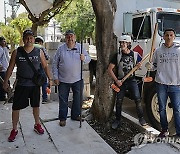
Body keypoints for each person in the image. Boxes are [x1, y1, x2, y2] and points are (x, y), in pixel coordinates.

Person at [3, 29, 52, 142]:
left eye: (31, 37)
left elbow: (45, 66)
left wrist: (50, 79)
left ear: (33, 39)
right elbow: (10, 68)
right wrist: (5, 81)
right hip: (21, 84)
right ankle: (14, 129)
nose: (29, 40)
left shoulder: (39, 51)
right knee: (16, 108)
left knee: (36, 106)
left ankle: (37, 124)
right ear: (23, 39)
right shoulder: (17, 52)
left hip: (35, 85)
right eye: (26, 37)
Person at [52, 30, 91, 127]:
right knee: (63, 100)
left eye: (71, 36)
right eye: (68, 36)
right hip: (63, 80)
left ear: (75, 37)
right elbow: (54, 64)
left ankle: (75, 115)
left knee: (78, 99)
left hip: (77, 79)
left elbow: (88, 58)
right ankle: (62, 118)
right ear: (65, 38)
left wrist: (84, 58)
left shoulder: (80, 47)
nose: (70, 38)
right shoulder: (61, 49)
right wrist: (55, 77)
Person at [108, 35, 147, 129]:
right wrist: (116, 80)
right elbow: (109, 69)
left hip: (132, 80)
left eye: (124, 43)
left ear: (128, 44)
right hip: (121, 81)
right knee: (119, 101)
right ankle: (117, 120)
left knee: (137, 99)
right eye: (121, 43)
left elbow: (139, 67)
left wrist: (138, 66)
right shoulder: (117, 56)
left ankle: (141, 118)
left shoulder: (135, 54)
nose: (122, 44)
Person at [149, 28, 180, 137]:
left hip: (175, 84)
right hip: (161, 83)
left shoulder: (179, 50)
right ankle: (164, 130)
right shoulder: (158, 51)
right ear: (163, 37)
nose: (169, 37)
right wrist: (150, 66)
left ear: (174, 37)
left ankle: (179, 133)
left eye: (171, 35)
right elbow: (154, 66)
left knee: (177, 110)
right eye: (167, 35)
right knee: (161, 108)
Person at [35, 36, 50, 103]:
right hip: (41, 66)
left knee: (34, 82)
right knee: (44, 81)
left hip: (32, 68)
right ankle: (44, 98)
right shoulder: (41, 47)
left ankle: (34, 98)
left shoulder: (30, 46)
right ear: (41, 42)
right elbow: (47, 57)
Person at [0, 36, 9, 101]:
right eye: (3, 41)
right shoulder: (0, 49)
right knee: (4, 83)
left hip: (5, 68)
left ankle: (4, 95)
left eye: (5, 41)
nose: (4, 42)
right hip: (2, 69)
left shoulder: (3, 48)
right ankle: (3, 96)